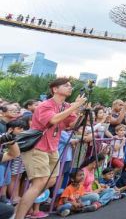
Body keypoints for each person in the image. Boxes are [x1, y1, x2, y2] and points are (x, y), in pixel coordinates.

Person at [15, 78, 87, 219]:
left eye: (70, 86)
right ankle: (19, 216)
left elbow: (73, 125)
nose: (70, 88)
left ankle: (18, 210)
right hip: (37, 147)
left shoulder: (66, 106)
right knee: (39, 183)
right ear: (55, 89)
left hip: (52, 148)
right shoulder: (45, 105)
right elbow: (53, 120)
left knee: (51, 181)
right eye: (66, 85)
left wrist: (81, 112)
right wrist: (74, 106)